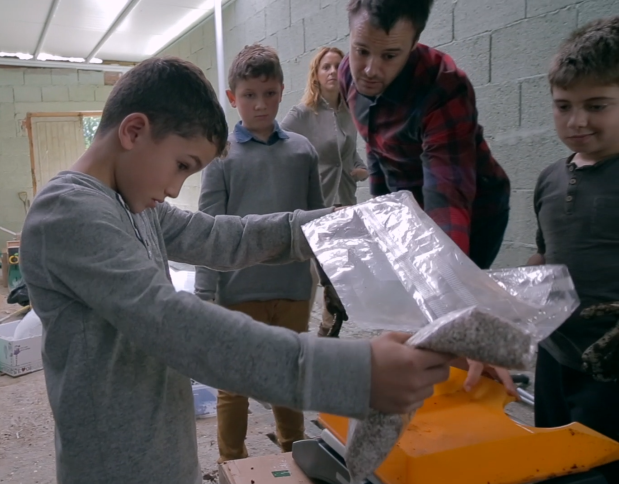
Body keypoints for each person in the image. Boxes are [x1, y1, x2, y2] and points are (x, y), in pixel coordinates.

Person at [19, 56, 454, 484]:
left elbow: (226, 237)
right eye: (182, 165)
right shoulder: (68, 212)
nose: (174, 188)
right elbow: (174, 325)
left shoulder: (133, 205)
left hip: (168, 460)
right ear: (134, 131)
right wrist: (356, 374)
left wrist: (337, 226)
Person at [339, 0, 516, 393]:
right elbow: (376, 151)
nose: (370, 69)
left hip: (472, 210)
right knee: (410, 309)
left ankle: (465, 383)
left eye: (389, 56)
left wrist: (455, 306)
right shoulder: (347, 75)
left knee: (446, 313)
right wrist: (383, 224)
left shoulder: (444, 87)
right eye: (361, 50)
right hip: (411, 200)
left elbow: (448, 197)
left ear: (414, 42)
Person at [193, 44, 325, 462]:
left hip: (293, 290)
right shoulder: (222, 157)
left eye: (269, 94)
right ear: (232, 98)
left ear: (282, 91)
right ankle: (232, 462)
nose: (260, 104)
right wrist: (204, 296)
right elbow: (208, 230)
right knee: (235, 385)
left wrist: (330, 279)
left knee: (287, 377)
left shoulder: (302, 151)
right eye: (249, 95)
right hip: (238, 292)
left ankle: (294, 453)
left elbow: (317, 224)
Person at [527, 16, 619, 482]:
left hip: (617, 376)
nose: (577, 120)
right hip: (555, 358)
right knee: (553, 465)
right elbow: (544, 257)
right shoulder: (549, 179)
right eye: (563, 106)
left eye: (596, 105)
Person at [282, 46, 368, 336]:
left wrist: (362, 171)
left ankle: (328, 325)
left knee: (341, 271)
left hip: (345, 201)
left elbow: (351, 155)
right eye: (326, 67)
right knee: (322, 273)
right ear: (316, 75)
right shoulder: (303, 114)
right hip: (317, 204)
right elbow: (280, 145)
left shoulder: (349, 112)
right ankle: (308, 329)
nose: (332, 72)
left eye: (337, 66)